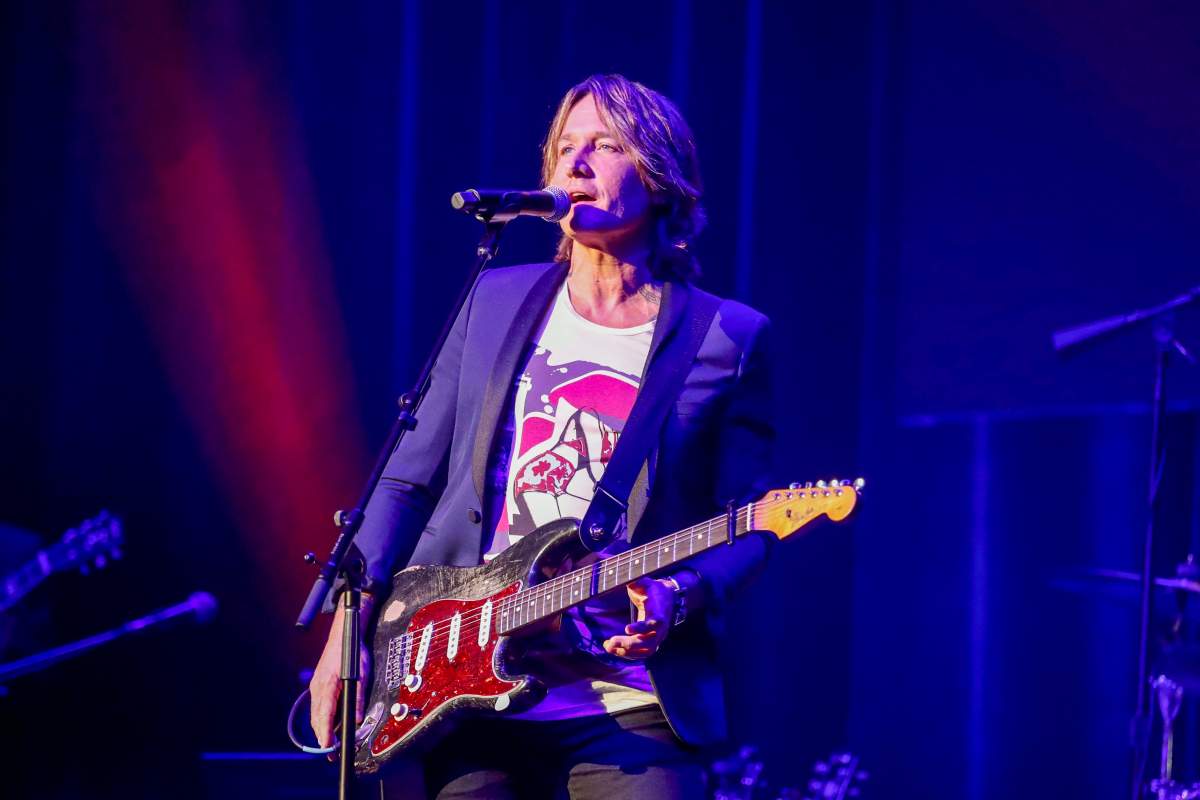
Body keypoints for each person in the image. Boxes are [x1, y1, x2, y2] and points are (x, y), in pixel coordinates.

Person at [309, 73, 776, 799]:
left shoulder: (726, 336)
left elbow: (750, 524)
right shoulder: (495, 299)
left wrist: (678, 593)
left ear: (660, 177)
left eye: (605, 145)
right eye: (565, 147)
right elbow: (405, 478)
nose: (576, 164)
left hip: (628, 698)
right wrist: (347, 631)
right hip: (466, 684)